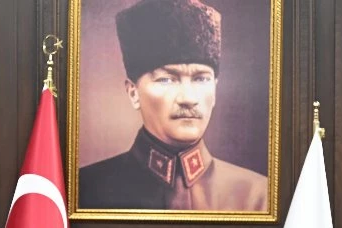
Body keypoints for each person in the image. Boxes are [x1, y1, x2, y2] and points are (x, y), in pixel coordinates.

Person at [79, 0, 268, 211]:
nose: (188, 98)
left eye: (201, 79)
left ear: (215, 90)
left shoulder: (257, 196)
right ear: (133, 93)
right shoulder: (85, 191)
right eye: (167, 80)